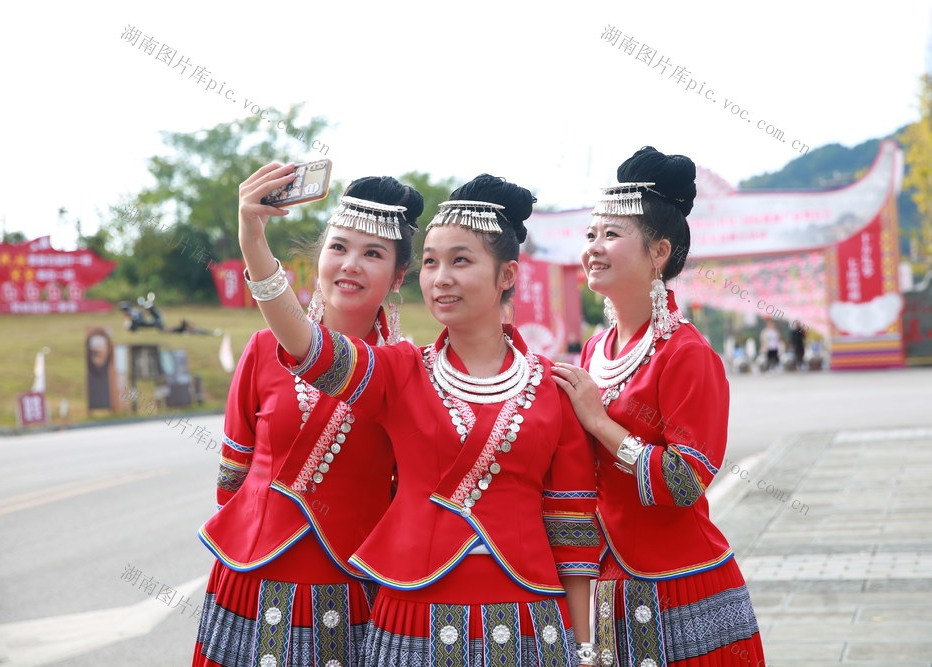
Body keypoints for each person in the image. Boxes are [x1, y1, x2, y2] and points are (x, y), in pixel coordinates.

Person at [241, 172, 600, 666]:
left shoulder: (554, 389)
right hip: (411, 620)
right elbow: (309, 347)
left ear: (507, 276)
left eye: (460, 261)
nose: (440, 278)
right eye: (430, 262)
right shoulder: (402, 370)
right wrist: (253, 241)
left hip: (529, 622)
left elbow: (571, 530)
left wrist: (585, 648)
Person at [192, 163, 424, 667]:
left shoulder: (409, 371)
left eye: (373, 254)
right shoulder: (262, 349)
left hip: (350, 587)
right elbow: (232, 477)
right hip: (250, 577)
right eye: (338, 247)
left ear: (399, 276)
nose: (350, 265)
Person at [552, 146, 765, 666]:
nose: (593, 248)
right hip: (608, 585)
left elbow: (686, 479)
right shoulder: (595, 349)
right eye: (590, 235)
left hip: (682, 587)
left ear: (659, 252)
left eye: (611, 234)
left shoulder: (687, 354)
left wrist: (599, 422)